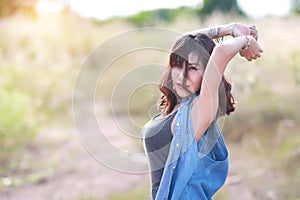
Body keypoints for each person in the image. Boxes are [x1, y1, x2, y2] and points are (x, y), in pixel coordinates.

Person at [141, 22, 263, 200]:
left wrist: (246, 41)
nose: (181, 76)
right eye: (177, 65)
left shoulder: (200, 109)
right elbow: (182, 41)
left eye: (193, 68)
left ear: (208, 72)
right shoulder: (177, 108)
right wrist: (230, 28)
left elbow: (220, 52)